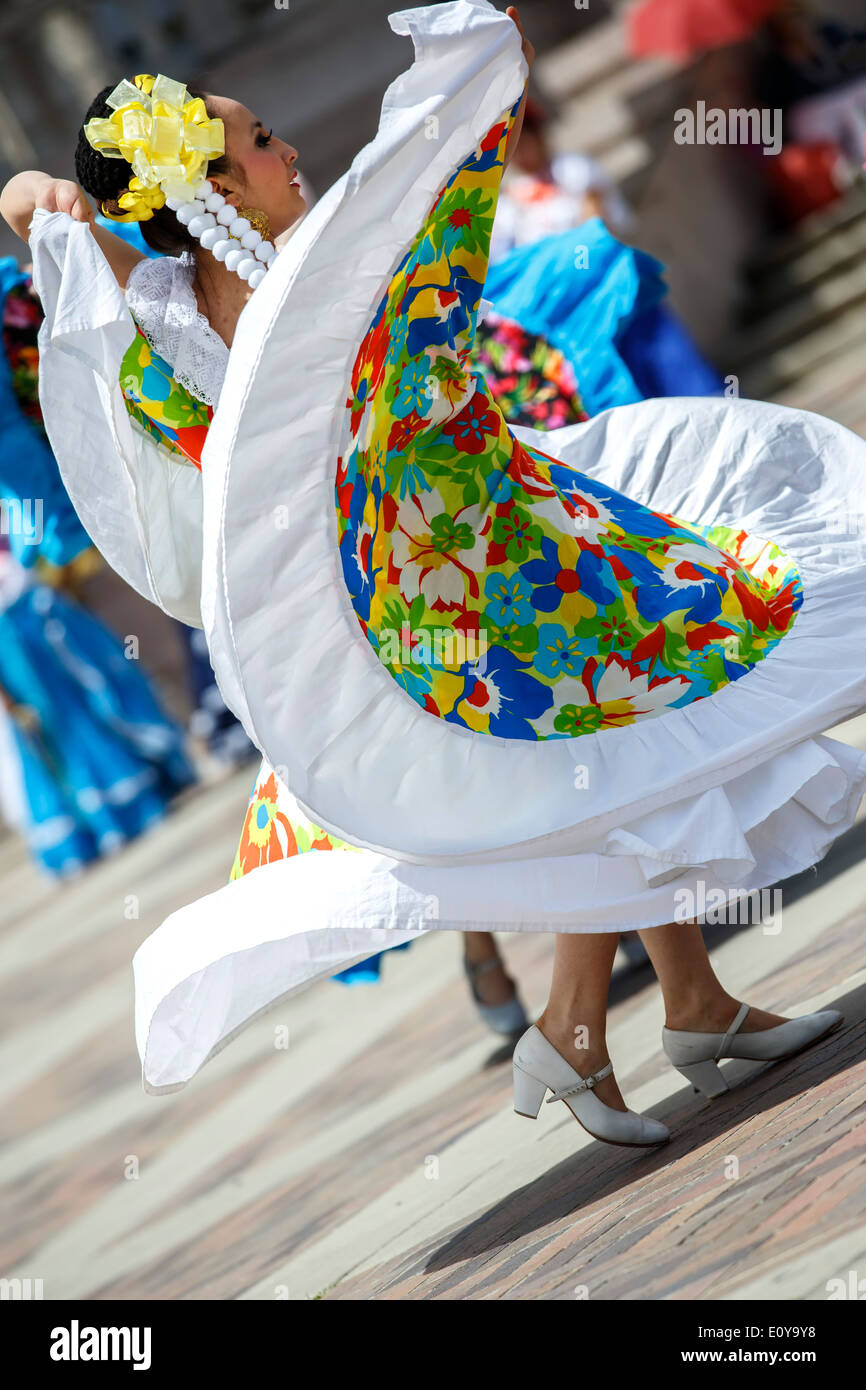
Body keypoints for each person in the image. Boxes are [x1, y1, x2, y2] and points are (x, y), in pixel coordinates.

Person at [3, 3, 863, 1150]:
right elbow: (48, 218)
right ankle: (586, 1025)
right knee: (580, 767)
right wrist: (33, 194)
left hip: (499, 540)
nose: (289, 148)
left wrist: (470, 75)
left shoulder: (323, 256)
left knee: (608, 756)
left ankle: (674, 1010)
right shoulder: (173, 316)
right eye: (261, 141)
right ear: (205, 189)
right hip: (416, 605)